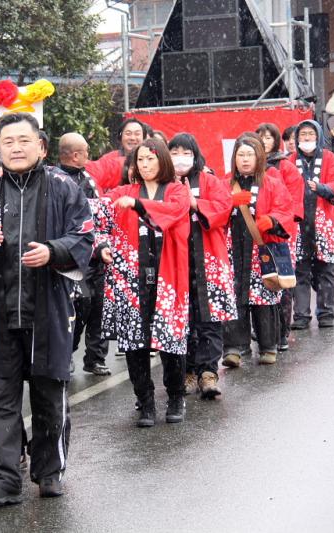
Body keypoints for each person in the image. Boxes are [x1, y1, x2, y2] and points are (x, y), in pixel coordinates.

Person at [0, 113, 95, 505]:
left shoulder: (64, 187)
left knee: (50, 394)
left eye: (23, 140)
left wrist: (54, 251)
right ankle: (3, 480)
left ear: (41, 146)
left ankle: (49, 471)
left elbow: (84, 235)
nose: (16, 148)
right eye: (8, 142)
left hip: (47, 308)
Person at [97, 138, 190, 426]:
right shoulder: (122, 191)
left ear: (162, 160)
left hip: (168, 274)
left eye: (151, 159)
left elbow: (174, 212)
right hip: (129, 276)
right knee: (134, 343)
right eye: (140, 160)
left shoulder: (176, 190)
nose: (145, 165)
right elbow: (98, 220)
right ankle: (145, 402)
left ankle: (176, 397)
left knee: (170, 342)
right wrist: (101, 245)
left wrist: (138, 205)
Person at [168, 134, 236, 398]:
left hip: (208, 259)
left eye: (186, 152)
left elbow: (222, 209)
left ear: (195, 155)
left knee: (209, 320)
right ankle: (187, 371)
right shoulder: (162, 183)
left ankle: (208, 373)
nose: (180, 158)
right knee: (181, 320)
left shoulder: (209, 181)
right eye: (174, 152)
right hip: (175, 262)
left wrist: (195, 203)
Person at [222, 137, 294, 367]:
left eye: (249, 155)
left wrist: (271, 220)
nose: (244, 160)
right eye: (240, 155)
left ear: (259, 157)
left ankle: (268, 346)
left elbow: (285, 209)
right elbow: (213, 210)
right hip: (232, 250)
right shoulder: (225, 183)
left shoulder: (271, 182)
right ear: (234, 158)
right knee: (234, 297)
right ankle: (234, 347)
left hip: (260, 249)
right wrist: (229, 204)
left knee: (263, 299)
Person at [57, 132, 110, 376]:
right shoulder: (54, 180)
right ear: (76, 155)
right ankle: (66, 353)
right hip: (70, 257)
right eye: (86, 151)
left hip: (96, 254)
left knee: (100, 307)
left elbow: (98, 218)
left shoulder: (88, 180)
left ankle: (95, 357)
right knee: (79, 307)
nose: (89, 156)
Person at [257, 123, 304, 350]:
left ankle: (282, 331)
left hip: (281, 234)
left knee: (282, 282)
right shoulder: (247, 167)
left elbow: (293, 203)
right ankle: (264, 331)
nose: (264, 141)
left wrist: (276, 222)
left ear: (276, 140)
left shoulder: (285, 166)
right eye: (260, 137)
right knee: (259, 283)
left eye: (268, 137)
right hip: (255, 234)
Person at [288, 120, 334, 330]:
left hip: (323, 222)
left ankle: (326, 312)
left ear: (317, 136)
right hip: (298, 224)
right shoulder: (290, 160)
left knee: (325, 269)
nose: (306, 138)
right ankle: (301, 314)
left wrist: (321, 188)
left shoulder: (330, 158)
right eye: (302, 135)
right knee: (300, 270)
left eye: (310, 134)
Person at [86, 118, 150, 193]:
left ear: (144, 138)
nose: (132, 138)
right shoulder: (109, 159)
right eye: (128, 134)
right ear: (121, 136)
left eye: (137, 134)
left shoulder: (151, 159)